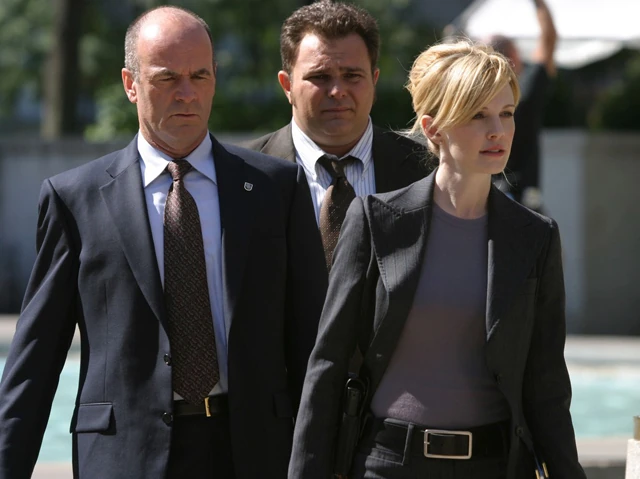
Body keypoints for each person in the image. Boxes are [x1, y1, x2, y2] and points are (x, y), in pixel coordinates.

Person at [0, 6, 326, 479]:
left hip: (253, 450)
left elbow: (310, 340)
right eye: (167, 78)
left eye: (199, 75)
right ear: (130, 84)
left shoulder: (276, 188)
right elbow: (37, 357)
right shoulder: (75, 199)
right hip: (124, 456)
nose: (186, 93)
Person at [289, 40, 586, 479]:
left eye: (506, 114)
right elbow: (328, 363)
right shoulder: (376, 220)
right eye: (477, 115)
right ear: (433, 129)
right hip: (388, 464)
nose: (497, 131)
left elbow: (547, 385)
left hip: (494, 467)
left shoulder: (536, 236)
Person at [243, 0, 428, 270]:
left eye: (352, 75)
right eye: (320, 77)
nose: (337, 91)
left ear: (374, 81)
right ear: (287, 85)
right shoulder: (241, 174)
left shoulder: (427, 170)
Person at [487, 0, 558, 211]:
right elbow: (549, 40)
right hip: (523, 199)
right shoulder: (525, 91)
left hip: (485, 198)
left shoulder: (474, 99)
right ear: (514, 56)